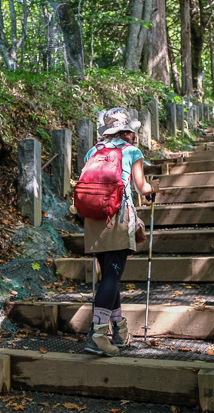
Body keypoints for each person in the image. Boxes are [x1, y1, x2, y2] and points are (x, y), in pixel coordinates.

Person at [82, 107, 155, 356]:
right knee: (113, 276)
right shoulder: (132, 151)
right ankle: (98, 335)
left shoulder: (93, 151)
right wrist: (152, 190)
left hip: (93, 217)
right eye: (130, 131)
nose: (133, 135)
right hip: (117, 216)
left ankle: (119, 331)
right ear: (125, 132)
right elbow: (141, 186)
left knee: (109, 275)